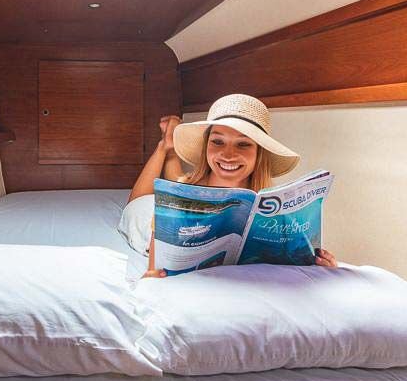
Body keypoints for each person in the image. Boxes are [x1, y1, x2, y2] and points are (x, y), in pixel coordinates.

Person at [124, 94, 338, 277]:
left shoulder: (269, 206)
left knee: (182, 182)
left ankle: (171, 151)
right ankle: (164, 146)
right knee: (138, 202)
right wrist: (152, 277)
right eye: (217, 141)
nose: (228, 155)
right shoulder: (169, 204)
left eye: (243, 144)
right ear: (206, 146)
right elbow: (152, 273)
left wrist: (321, 266)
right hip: (147, 222)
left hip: (189, 185)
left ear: (258, 154)